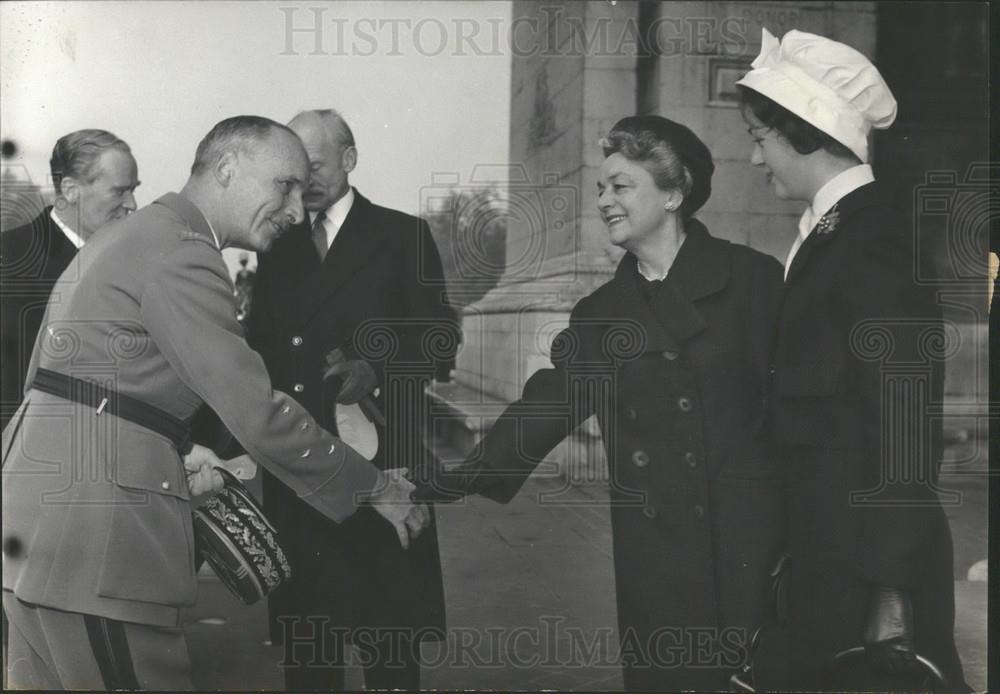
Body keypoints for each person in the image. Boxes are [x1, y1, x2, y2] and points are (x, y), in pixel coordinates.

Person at [1, 116, 428, 691]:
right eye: (285, 185)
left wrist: (174, 446)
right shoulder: (184, 253)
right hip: (99, 539)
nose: (296, 209)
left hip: (41, 527)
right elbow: (256, 412)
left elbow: (69, 380)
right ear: (228, 168)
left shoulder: (130, 238)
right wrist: (374, 487)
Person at [414, 115, 785, 691]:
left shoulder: (753, 280)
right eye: (601, 188)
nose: (604, 200)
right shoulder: (602, 313)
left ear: (673, 194)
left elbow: (792, 412)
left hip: (748, 541)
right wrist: (454, 476)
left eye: (621, 186)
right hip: (655, 552)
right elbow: (549, 404)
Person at [736, 28, 968, 691]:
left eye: (759, 138)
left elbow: (905, 419)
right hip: (829, 556)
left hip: (866, 572)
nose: (754, 158)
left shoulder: (871, 239)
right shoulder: (833, 233)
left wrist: (891, 591)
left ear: (804, 132)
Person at [241, 108, 458, 691]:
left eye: (313, 165)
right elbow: (262, 347)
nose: (302, 180)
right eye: (292, 170)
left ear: (350, 159)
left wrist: (377, 366)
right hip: (303, 467)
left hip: (383, 463)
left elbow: (441, 338)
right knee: (310, 651)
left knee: (389, 643)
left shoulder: (402, 235)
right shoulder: (278, 245)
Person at [0, 129, 139, 428]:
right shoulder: (11, 259)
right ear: (71, 190)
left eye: (133, 190)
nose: (132, 204)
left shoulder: (132, 265)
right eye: (119, 191)